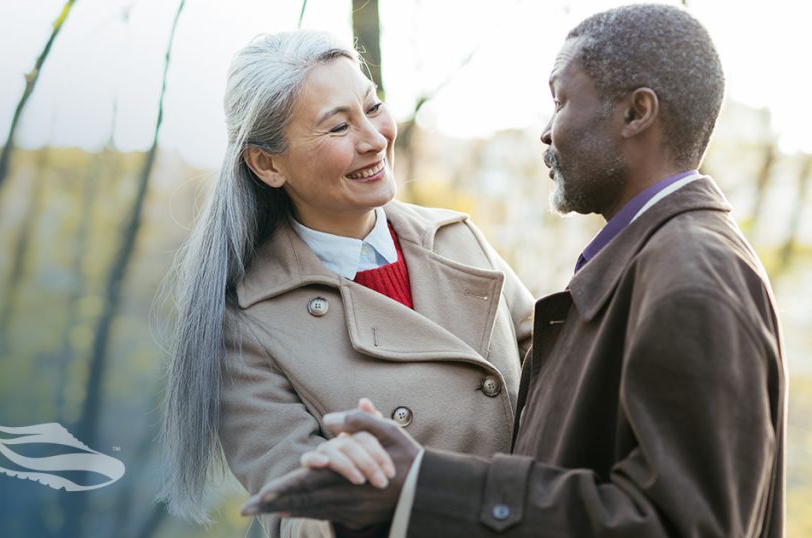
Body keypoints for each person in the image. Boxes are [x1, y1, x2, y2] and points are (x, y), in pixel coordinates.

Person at [242, 4, 788, 537]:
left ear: (635, 113)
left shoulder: (690, 280)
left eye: (561, 101)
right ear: (267, 163)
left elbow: (680, 520)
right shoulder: (644, 264)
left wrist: (423, 485)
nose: (547, 132)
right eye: (337, 126)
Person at [157, 30, 535, 538]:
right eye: (338, 127)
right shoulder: (244, 321)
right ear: (267, 164)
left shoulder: (458, 238)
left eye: (373, 106)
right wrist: (349, 501)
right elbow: (295, 510)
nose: (375, 138)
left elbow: (555, 370)